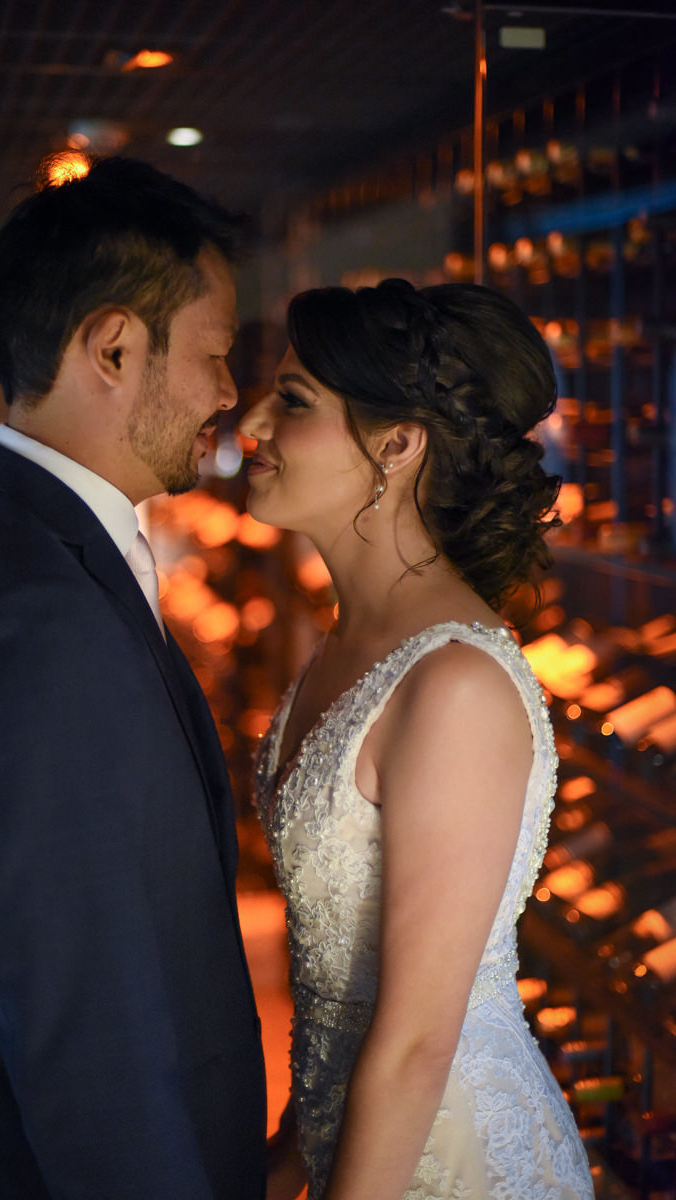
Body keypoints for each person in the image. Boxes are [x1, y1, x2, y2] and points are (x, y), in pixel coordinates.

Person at [0, 157, 267, 1200]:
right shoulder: (36, 611)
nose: (231, 395)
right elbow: (88, 1030)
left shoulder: (17, 542)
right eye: (215, 355)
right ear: (112, 346)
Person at [240, 278, 595, 1200]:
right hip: (349, 1142)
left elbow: (415, 1040)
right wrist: (288, 1158)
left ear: (397, 445)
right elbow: (334, 985)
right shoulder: (347, 645)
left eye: (292, 401)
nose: (250, 426)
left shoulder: (455, 684)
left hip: (452, 1162)